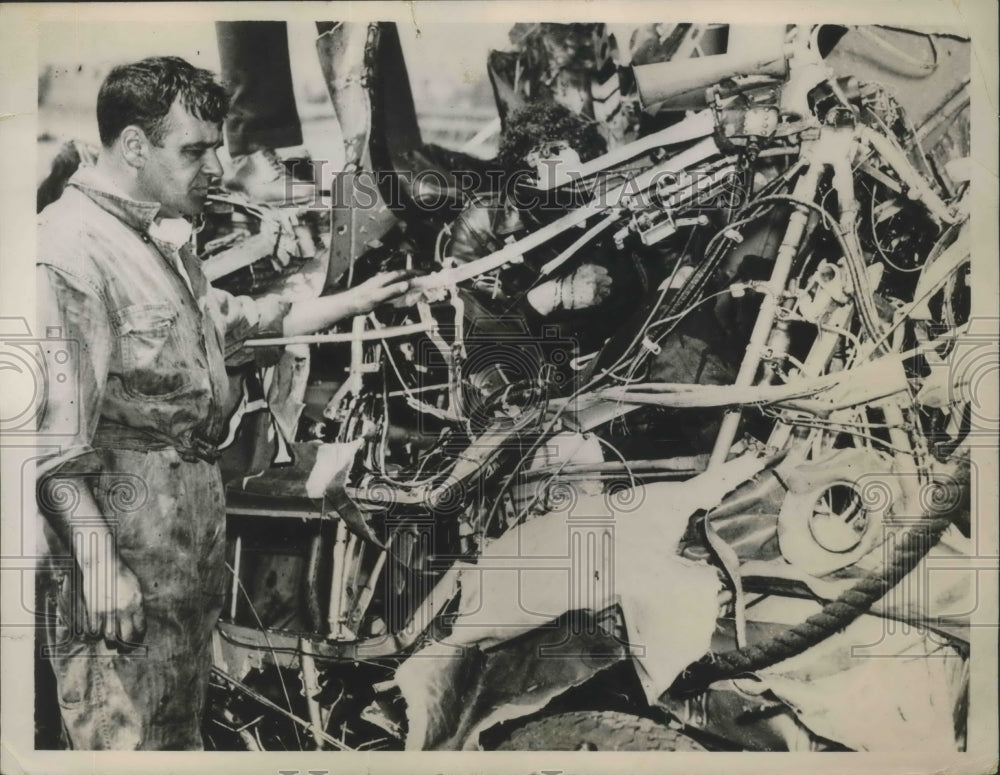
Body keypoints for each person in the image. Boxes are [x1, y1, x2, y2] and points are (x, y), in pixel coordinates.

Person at [35, 55, 410, 750]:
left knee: (175, 737)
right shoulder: (70, 252)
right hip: (126, 562)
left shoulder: (158, 242)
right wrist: (98, 562)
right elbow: (51, 446)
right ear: (136, 146)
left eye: (216, 148)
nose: (214, 167)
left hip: (179, 556)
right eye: (195, 150)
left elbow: (242, 322)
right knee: (128, 744)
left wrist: (357, 300)